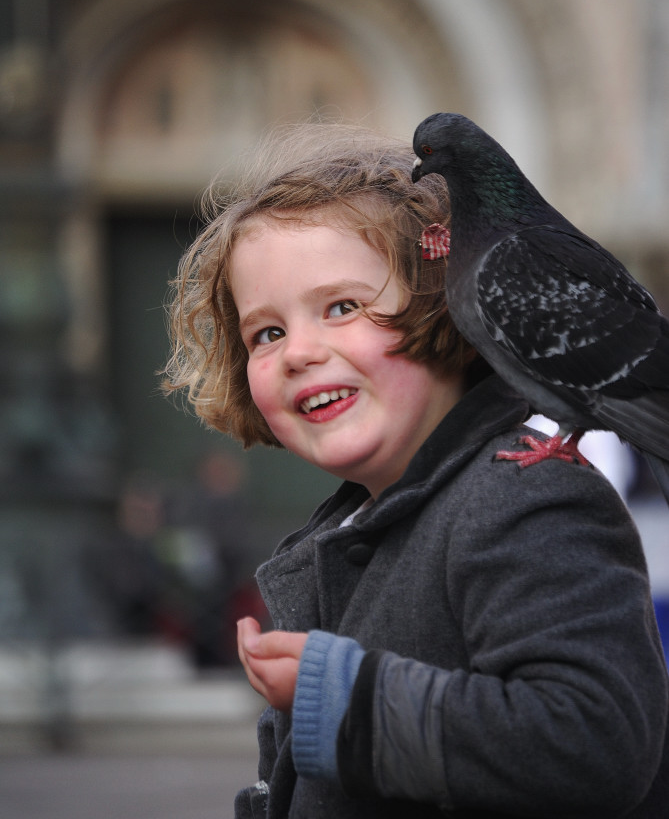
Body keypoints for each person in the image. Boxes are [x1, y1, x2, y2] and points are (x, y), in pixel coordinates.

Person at [163, 123, 669, 818]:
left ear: (448, 307)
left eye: (341, 307)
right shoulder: (343, 536)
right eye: (267, 333)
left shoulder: (526, 498)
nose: (299, 352)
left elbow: (594, 741)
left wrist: (347, 699)